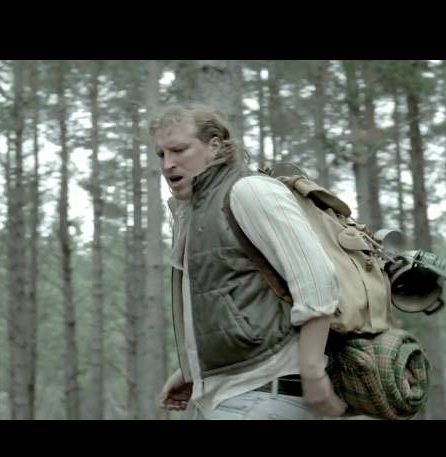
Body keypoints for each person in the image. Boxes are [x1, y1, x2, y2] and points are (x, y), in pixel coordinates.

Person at [149, 104, 348, 420]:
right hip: (228, 396)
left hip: (263, 394)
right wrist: (192, 371)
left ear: (214, 146)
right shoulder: (195, 213)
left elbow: (317, 278)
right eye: (161, 154)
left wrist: (312, 370)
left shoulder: (248, 191)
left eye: (179, 150)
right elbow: (234, 302)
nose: (167, 163)